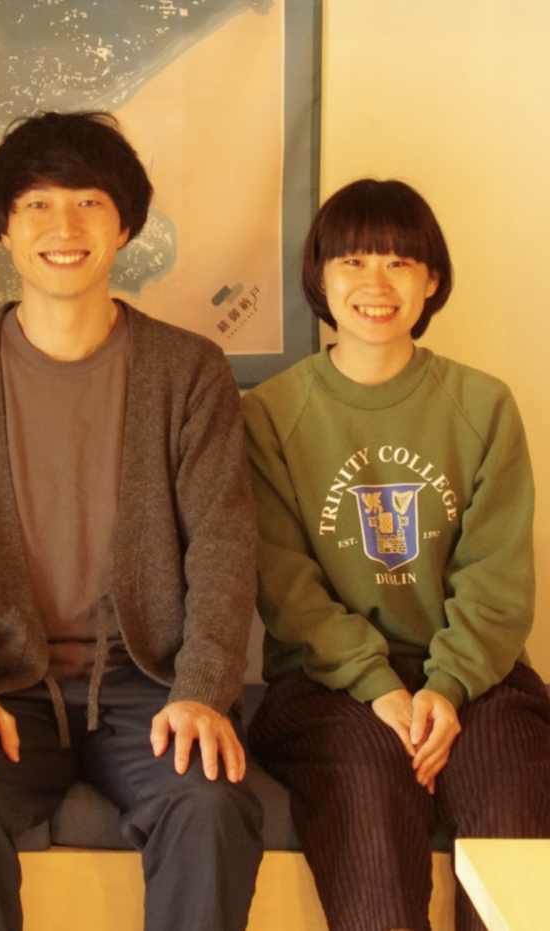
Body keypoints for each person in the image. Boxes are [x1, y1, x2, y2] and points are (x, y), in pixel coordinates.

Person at [0, 110, 263, 931]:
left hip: (150, 682)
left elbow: (224, 548)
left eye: (89, 202)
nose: (64, 227)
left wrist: (203, 691)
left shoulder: (188, 369)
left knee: (209, 804)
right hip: (2, 684)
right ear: (4, 228)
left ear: (124, 225)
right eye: (37, 204)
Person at [243, 178, 550, 931]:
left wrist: (446, 688)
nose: (375, 284)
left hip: (478, 679)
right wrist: (377, 685)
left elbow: (497, 577)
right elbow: (284, 585)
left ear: (431, 279)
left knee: (512, 808)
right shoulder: (269, 413)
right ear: (319, 277)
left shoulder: (483, 404)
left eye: (398, 262)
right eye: (353, 261)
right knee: (369, 797)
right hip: (327, 684)